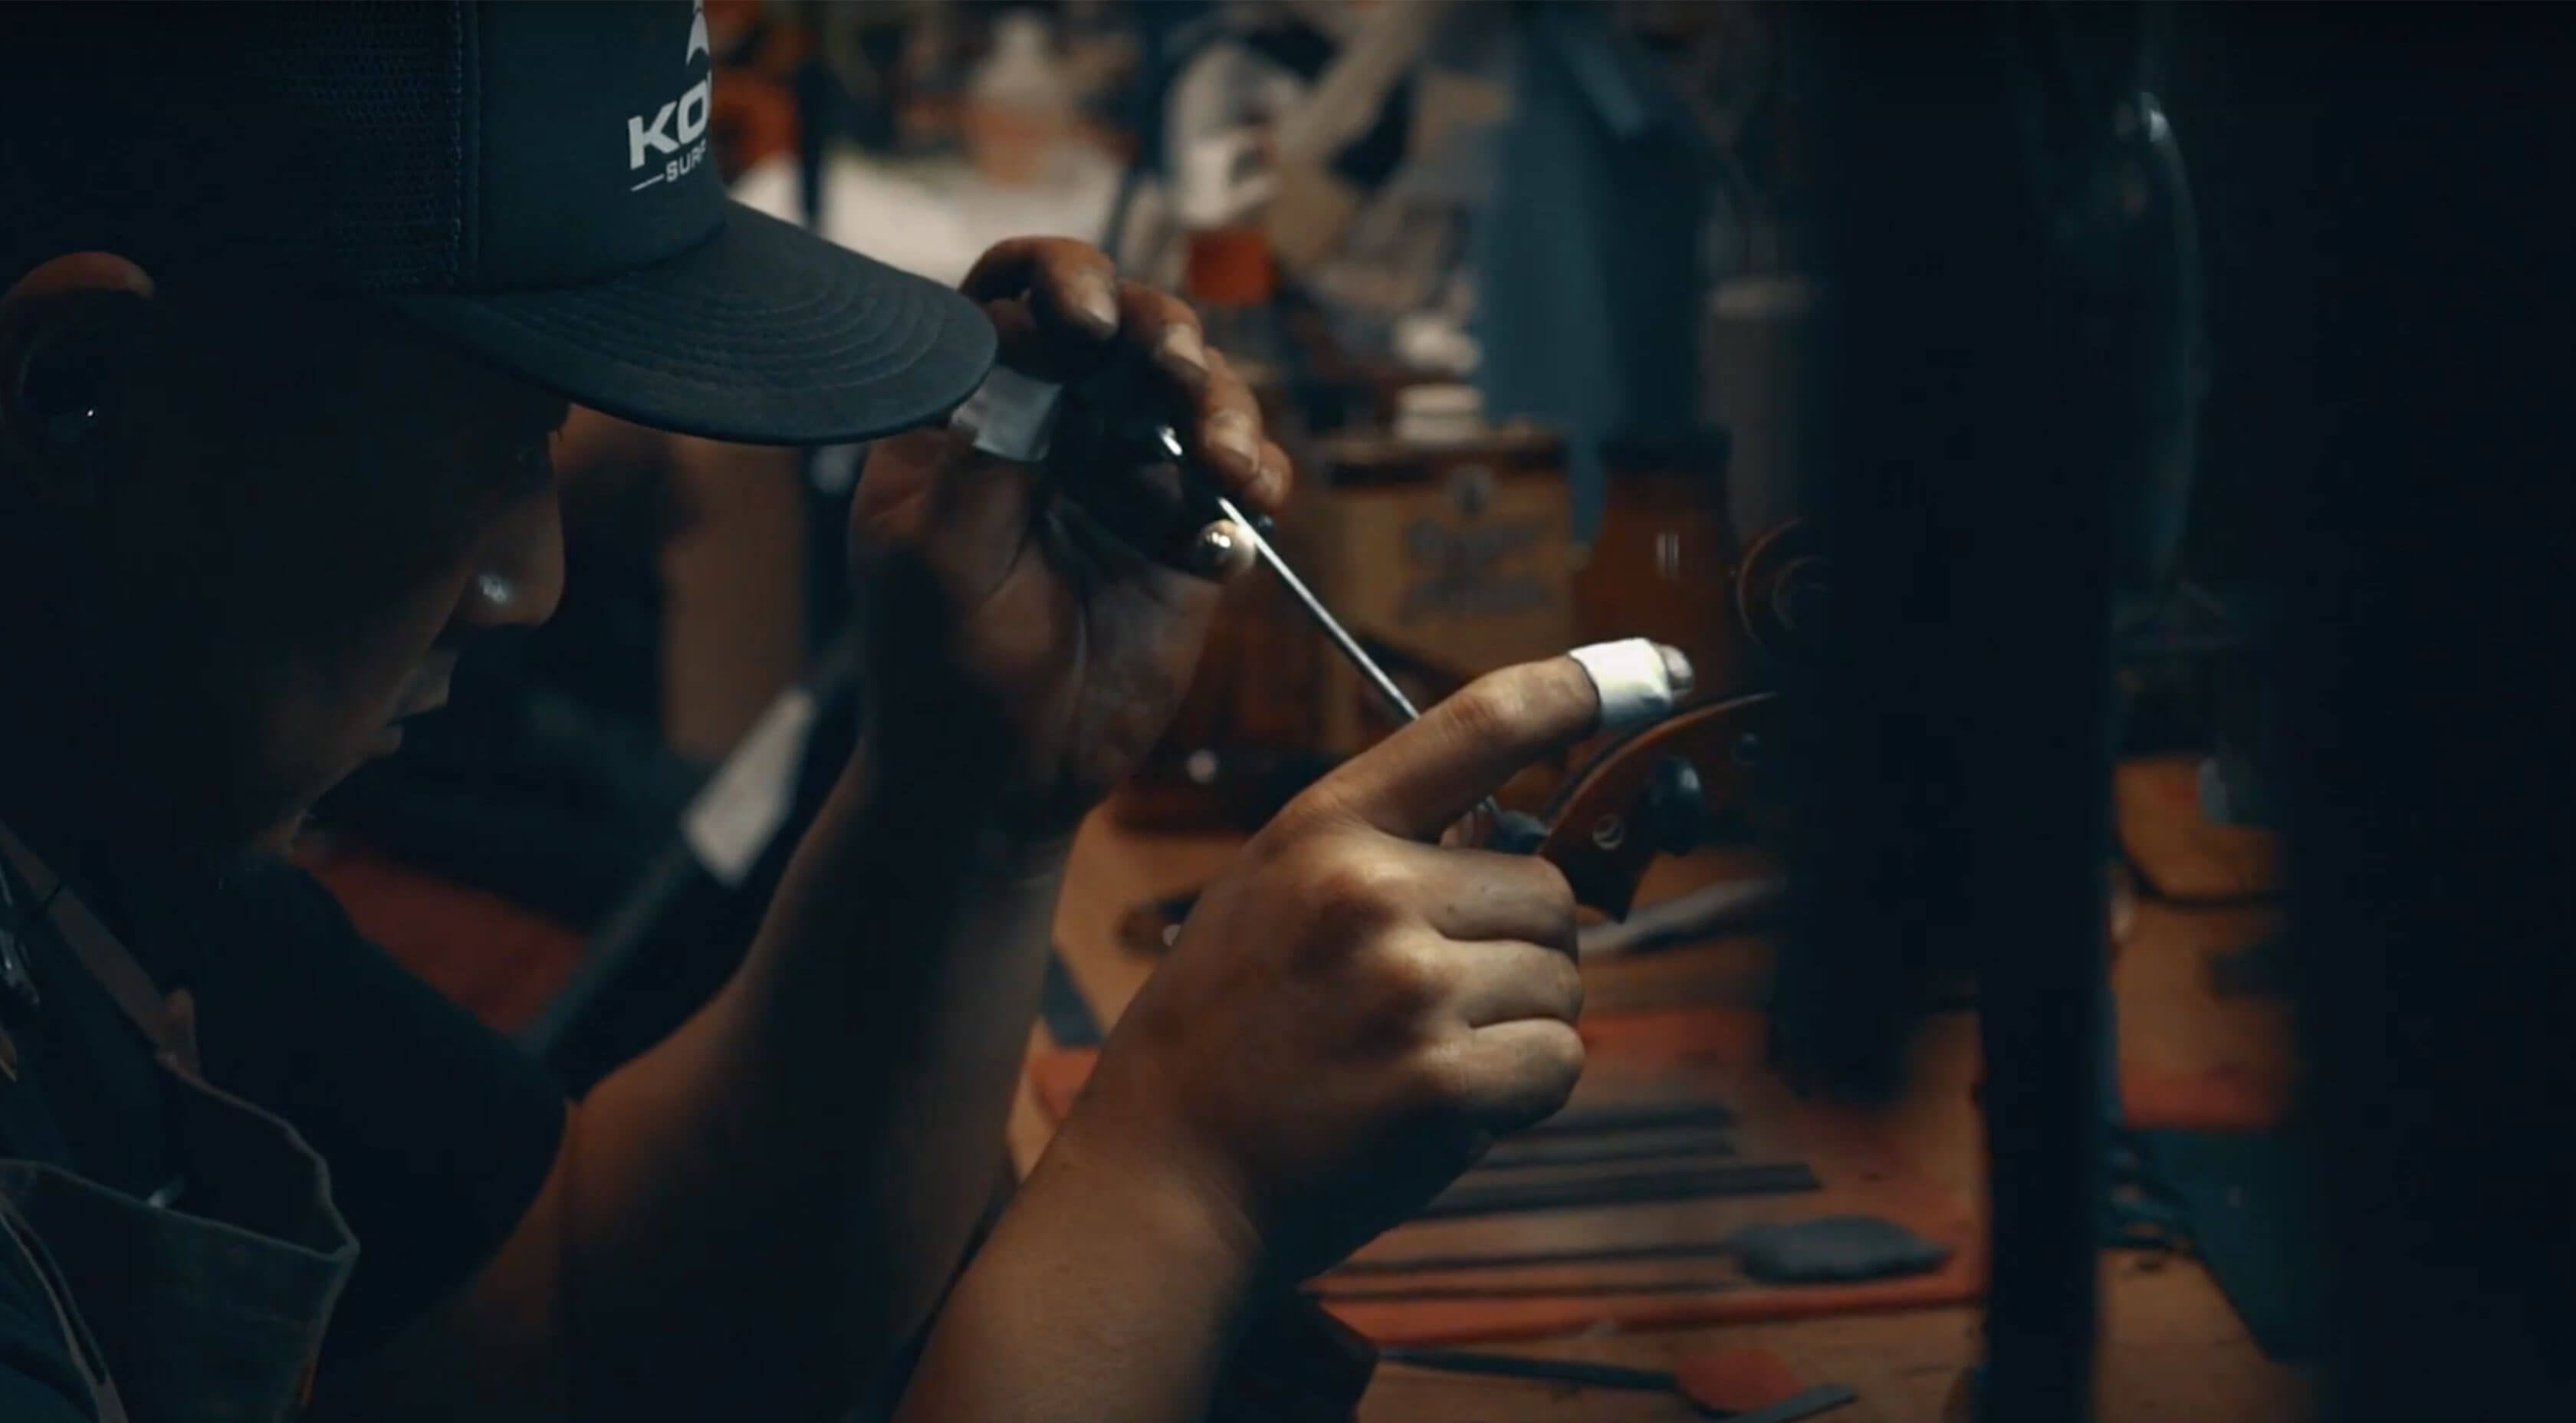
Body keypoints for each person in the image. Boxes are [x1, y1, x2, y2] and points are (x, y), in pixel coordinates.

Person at [0, 5, 1620, 1421]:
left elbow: (579, 1329)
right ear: (77, 393)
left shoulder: (108, 856)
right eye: (494, 436)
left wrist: (971, 801)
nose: (531, 578)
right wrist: (1179, 1193)